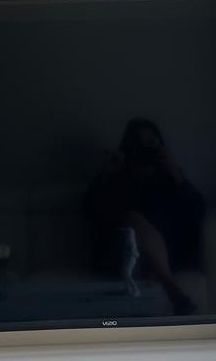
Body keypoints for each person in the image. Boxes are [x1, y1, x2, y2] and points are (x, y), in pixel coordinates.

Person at [85, 118, 205, 314]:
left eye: (150, 142)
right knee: (134, 221)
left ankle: (160, 274)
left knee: (142, 225)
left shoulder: (168, 177)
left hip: (165, 252)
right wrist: (105, 176)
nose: (144, 148)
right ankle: (173, 290)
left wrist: (177, 176)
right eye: (139, 143)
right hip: (124, 255)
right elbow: (92, 213)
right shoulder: (118, 176)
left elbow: (198, 212)